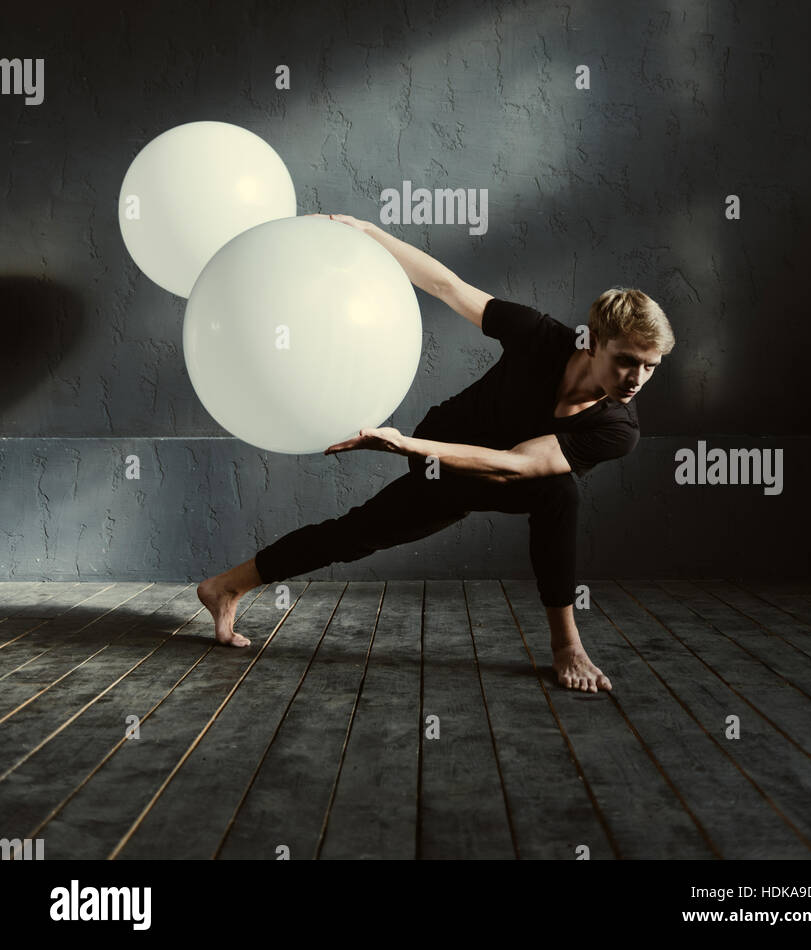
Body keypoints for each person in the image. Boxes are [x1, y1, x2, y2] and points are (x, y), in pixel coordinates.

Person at [197, 214, 675, 691]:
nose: (636, 379)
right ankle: (228, 585)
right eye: (626, 361)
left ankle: (566, 646)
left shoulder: (617, 428)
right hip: (439, 457)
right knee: (357, 535)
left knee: (558, 494)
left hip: (494, 471)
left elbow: (517, 465)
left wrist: (401, 442)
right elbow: (448, 286)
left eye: (650, 367)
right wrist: (370, 234)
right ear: (592, 343)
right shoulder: (541, 337)